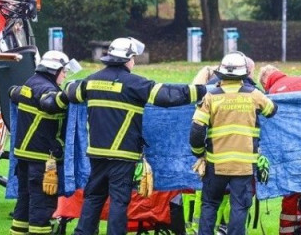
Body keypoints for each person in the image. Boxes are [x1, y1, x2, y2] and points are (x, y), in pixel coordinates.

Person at [66, 37, 208, 235]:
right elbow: (167, 96)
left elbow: (71, 93)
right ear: (128, 59)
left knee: (93, 197)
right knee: (118, 201)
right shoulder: (135, 84)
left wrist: (71, 82)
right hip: (123, 156)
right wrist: (202, 90)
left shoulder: (91, 81)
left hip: (96, 153)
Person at [190, 52, 277, 235]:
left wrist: (199, 154)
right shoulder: (254, 94)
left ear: (221, 73)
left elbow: (197, 130)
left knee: (210, 205)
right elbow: (272, 110)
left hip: (216, 164)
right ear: (244, 74)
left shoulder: (210, 96)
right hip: (243, 166)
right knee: (239, 208)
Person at [9, 50, 74, 235]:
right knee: (42, 206)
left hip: (24, 156)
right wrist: (68, 94)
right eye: (64, 71)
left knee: (24, 202)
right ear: (54, 70)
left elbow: (12, 92)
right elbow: (49, 103)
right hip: (41, 160)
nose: (65, 75)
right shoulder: (46, 89)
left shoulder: (30, 83)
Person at [258, 66, 301, 235]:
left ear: (265, 81)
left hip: (289, 148)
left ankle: (287, 230)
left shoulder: (272, 91)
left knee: (289, 189)